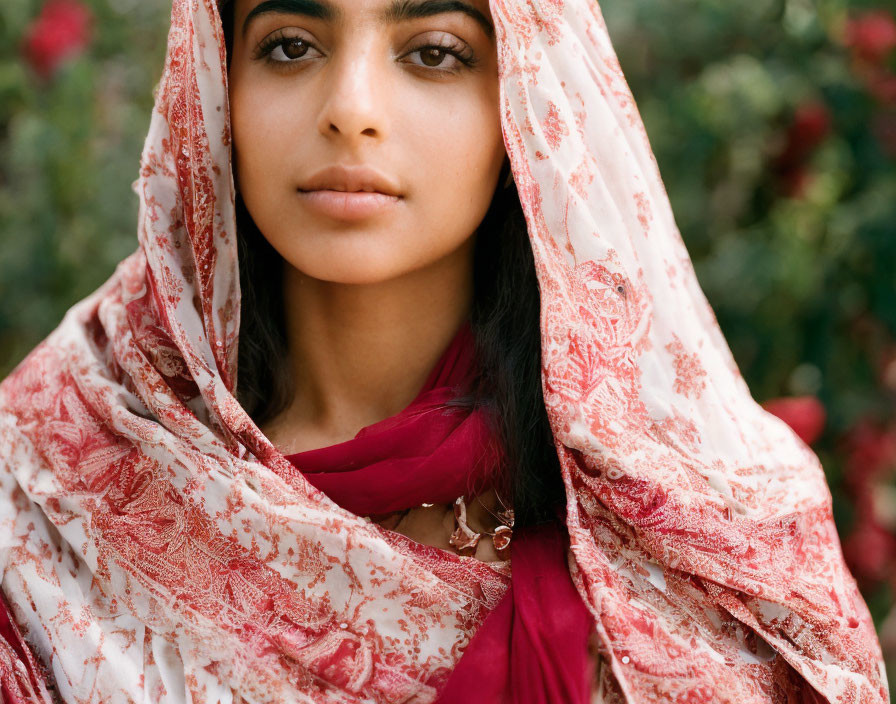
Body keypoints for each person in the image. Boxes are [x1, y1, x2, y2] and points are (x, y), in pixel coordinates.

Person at [0, 0, 887, 701]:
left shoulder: (705, 518)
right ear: (212, 87)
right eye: (289, 45)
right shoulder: (56, 460)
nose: (351, 110)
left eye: (433, 52)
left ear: (529, 104)